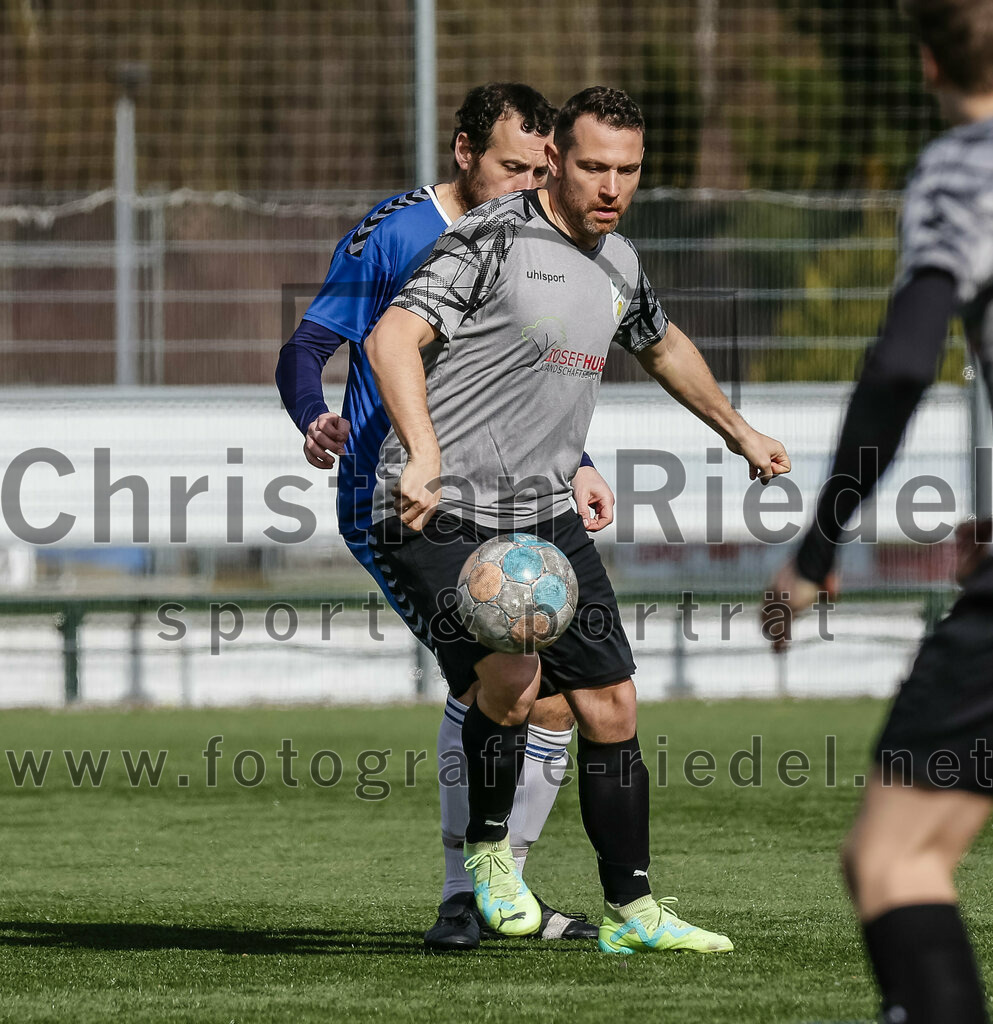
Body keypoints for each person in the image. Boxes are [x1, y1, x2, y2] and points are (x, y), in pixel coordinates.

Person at [365, 86, 790, 953]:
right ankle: (488, 856)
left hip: (541, 516)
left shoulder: (618, 262)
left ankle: (632, 912)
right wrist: (421, 451)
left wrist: (738, 429)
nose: (610, 186)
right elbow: (390, 339)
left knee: (609, 705)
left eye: (627, 171)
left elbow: (662, 343)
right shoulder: (490, 240)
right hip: (439, 508)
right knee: (514, 680)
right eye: (594, 166)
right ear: (554, 158)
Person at [275, 83, 608, 950]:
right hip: (400, 499)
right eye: (510, 167)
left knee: (557, 704)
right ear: (464, 153)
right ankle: (465, 898)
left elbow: (520, 384)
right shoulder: (396, 232)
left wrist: (576, 462)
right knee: (495, 678)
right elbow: (309, 343)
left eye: (539, 169)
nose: (526, 184)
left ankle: (506, 896)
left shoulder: (537, 239)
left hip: (504, 498)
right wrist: (313, 413)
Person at [762, 0, 993, 1017]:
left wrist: (818, 547)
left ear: (928, 61)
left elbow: (904, 363)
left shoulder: (963, 165)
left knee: (894, 860)